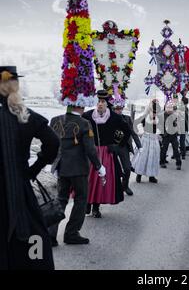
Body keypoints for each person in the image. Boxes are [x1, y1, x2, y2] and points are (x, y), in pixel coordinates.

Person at [0, 66, 59, 270]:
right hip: (20, 188)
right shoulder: (26, 115)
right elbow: (53, 143)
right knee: (29, 241)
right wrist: (34, 169)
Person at [49, 105, 105, 246]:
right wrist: (99, 166)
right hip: (78, 169)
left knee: (61, 199)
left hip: (62, 167)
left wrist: (55, 163)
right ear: (80, 106)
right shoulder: (85, 123)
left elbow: (51, 145)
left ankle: (50, 235)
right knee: (81, 199)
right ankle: (71, 234)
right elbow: (90, 149)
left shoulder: (55, 120)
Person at [83, 90, 131, 218]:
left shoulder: (114, 117)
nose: (100, 104)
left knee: (100, 180)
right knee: (88, 179)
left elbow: (126, 131)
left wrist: (116, 144)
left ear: (107, 104)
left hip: (106, 153)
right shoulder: (87, 116)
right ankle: (87, 203)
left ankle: (96, 207)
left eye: (103, 102)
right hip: (90, 152)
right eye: (98, 101)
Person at [112, 103, 142, 196]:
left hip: (124, 147)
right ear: (113, 109)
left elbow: (133, 133)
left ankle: (125, 186)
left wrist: (139, 146)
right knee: (113, 169)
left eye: (120, 108)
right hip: (112, 146)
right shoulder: (109, 119)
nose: (119, 110)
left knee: (127, 168)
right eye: (117, 109)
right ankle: (113, 188)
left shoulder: (127, 118)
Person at [132, 99, 161, 184]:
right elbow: (137, 123)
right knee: (143, 157)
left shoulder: (158, 119)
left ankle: (151, 176)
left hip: (154, 139)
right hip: (145, 139)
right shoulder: (145, 117)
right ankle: (139, 175)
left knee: (153, 157)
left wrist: (158, 131)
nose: (154, 114)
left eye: (156, 112)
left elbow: (161, 128)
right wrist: (140, 132)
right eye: (153, 111)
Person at [160, 102, 182, 170]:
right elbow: (160, 126)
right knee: (164, 149)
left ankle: (178, 163)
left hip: (173, 135)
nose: (169, 109)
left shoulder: (174, 115)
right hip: (165, 135)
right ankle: (162, 162)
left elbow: (177, 124)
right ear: (165, 108)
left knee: (176, 149)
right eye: (168, 107)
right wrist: (161, 134)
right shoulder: (162, 115)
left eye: (171, 108)